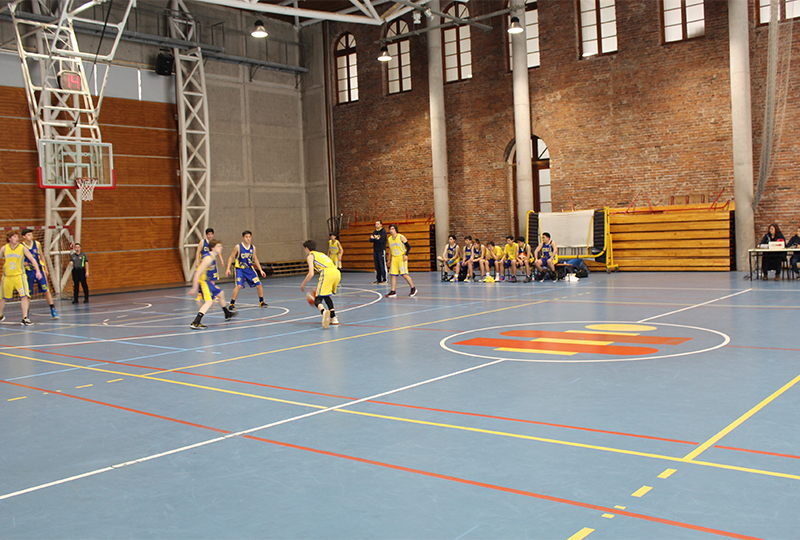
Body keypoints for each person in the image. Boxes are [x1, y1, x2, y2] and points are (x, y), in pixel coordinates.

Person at [189, 239, 236, 329]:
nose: (221, 248)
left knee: (221, 294)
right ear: (212, 248)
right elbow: (197, 273)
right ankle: (196, 322)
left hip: (207, 282)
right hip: (203, 282)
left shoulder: (212, 257)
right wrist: (194, 287)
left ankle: (227, 313)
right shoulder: (208, 259)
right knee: (209, 301)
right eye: (218, 246)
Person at [0, 231, 43, 326]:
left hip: (19, 276)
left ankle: (25, 317)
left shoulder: (22, 248)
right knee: (2, 297)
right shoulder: (4, 248)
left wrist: (38, 271)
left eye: (17, 236)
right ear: (9, 238)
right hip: (7, 276)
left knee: (24, 296)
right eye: (14, 236)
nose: (16, 238)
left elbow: (32, 259)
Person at [301, 239, 342, 328]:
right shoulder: (321, 254)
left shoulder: (310, 256)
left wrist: (303, 284)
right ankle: (333, 317)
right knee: (326, 296)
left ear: (307, 248)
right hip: (336, 273)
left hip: (327, 273)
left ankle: (323, 312)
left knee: (317, 299)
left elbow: (311, 273)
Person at [21, 228, 58, 319]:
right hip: (28, 271)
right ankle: (26, 314)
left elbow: (41, 255)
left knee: (46, 290)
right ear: (24, 237)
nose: (31, 236)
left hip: (39, 270)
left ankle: (53, 309)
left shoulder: (37, 244)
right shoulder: (21, 246)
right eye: (29, 235)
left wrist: (45, 268)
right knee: (28, 294)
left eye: (31, 235)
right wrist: (22, 263)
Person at [225, 230, 268, 310]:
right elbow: (231, 257)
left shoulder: (253, 248)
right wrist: (228, 268)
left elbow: (255, 259)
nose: (248, 239)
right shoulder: (238, 247)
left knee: (259, 284)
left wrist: (261, 270)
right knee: (238, 286)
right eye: (246, 237)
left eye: (249, 237)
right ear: (243, 238)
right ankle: (232, 303)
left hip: (249, 269)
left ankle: (261, 301)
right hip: (240, 269)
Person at [385, 224, 417, 298]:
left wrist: (406, 255)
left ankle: (413, 288)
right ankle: (393, 291)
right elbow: (390, 250)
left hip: (401, 257)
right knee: (393, 275)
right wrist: (389, 259)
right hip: (394, 258)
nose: (391, 230)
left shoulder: (401, 236)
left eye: (392, 229)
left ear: (396, 229)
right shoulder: (389, 239)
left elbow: (408, 246)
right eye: (390, 229)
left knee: (404, 274)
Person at [369, 220, 387, 284]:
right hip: (375, 250)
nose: (376, 225)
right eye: (376, 224)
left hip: (381, 250)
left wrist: (374, 239)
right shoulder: (375, 231)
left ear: (381, 225)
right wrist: (376, 239)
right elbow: (370, 240)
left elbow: (381, 241)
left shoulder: (383, 232)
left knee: (382, 265)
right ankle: (378, 279)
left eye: (378, 224)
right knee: (377, 265)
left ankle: (385, 279)